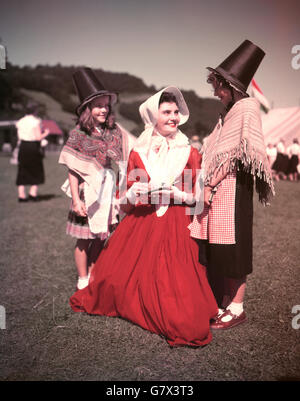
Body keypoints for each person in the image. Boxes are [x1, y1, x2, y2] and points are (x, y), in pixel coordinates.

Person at [70, 87, 218, 347]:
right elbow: (125, 206)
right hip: (141, 224)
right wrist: (135, 192)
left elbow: (197, 201)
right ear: (153, 115)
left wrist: (175, 193)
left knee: (182, 310)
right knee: (115, 284)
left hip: (176, 224)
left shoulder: (190, 152)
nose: (173, 117)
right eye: (166, 112)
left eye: (176, 112)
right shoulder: (138, 153)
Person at [189, 40, 275, 330]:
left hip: (233, 189)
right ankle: (225, 300)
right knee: (220, 246)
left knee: (234, 246)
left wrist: (211, 184)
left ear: (230, 85)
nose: (214, 92)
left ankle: (237, 308)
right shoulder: (228, 112)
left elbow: (238, 154)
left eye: (217, 86)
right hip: (220, 188)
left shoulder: (246, 108)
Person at [59, 67, 133, 290]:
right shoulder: (79, 134)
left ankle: (93, 272)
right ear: (87, 108)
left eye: (106, 105)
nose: (103, 109)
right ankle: (82, 278)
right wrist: (76, 199)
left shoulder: (113, 131)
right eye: (98, 105)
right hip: (86, 190)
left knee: (101, 235)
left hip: (107, 189)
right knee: (84, 237)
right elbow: (73, 170)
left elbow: (131, 148)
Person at [16, 104, 49, 202]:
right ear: (35, 111)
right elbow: (38, 137)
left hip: (23, 146)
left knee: (22, 169)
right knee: (36, 169)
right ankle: (32, 193)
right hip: (33, 147)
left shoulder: (20, 121)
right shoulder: (36, 121)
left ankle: (21, 195)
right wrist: (46, 133)